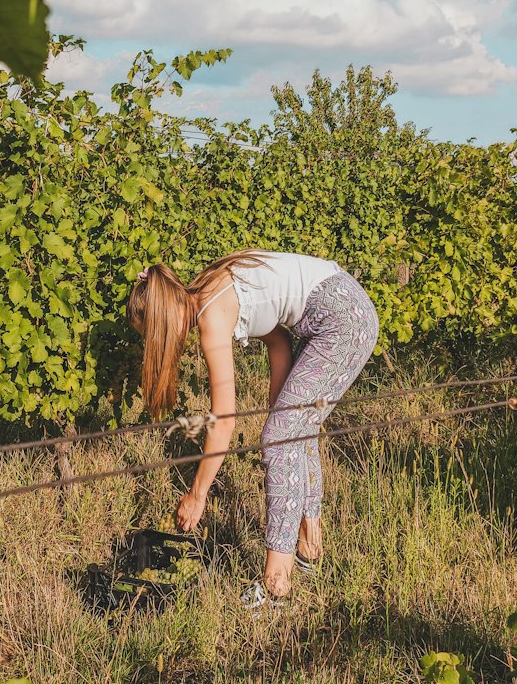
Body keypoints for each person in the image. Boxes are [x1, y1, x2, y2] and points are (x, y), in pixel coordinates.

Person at [126, 251, 378, 606]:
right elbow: (278, 340)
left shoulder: (212, 316)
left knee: (280, 438)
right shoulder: (206, 289)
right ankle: (309, 548)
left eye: (153, 336)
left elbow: (224, 420)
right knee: (293, 431)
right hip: (342, 307)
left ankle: (277, 586)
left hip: (342, 320)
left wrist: (197, 495)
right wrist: (280, 405)